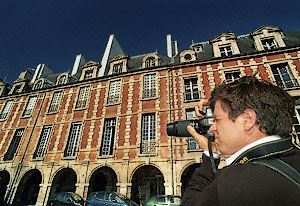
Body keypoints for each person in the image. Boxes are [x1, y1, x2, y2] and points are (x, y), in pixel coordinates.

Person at [181, 75, 300, 206]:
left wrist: (210, 155)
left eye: (217, 120)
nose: (211, 129)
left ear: (247, 120)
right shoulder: (293, 158)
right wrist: (218, 104)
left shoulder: (234, 183)